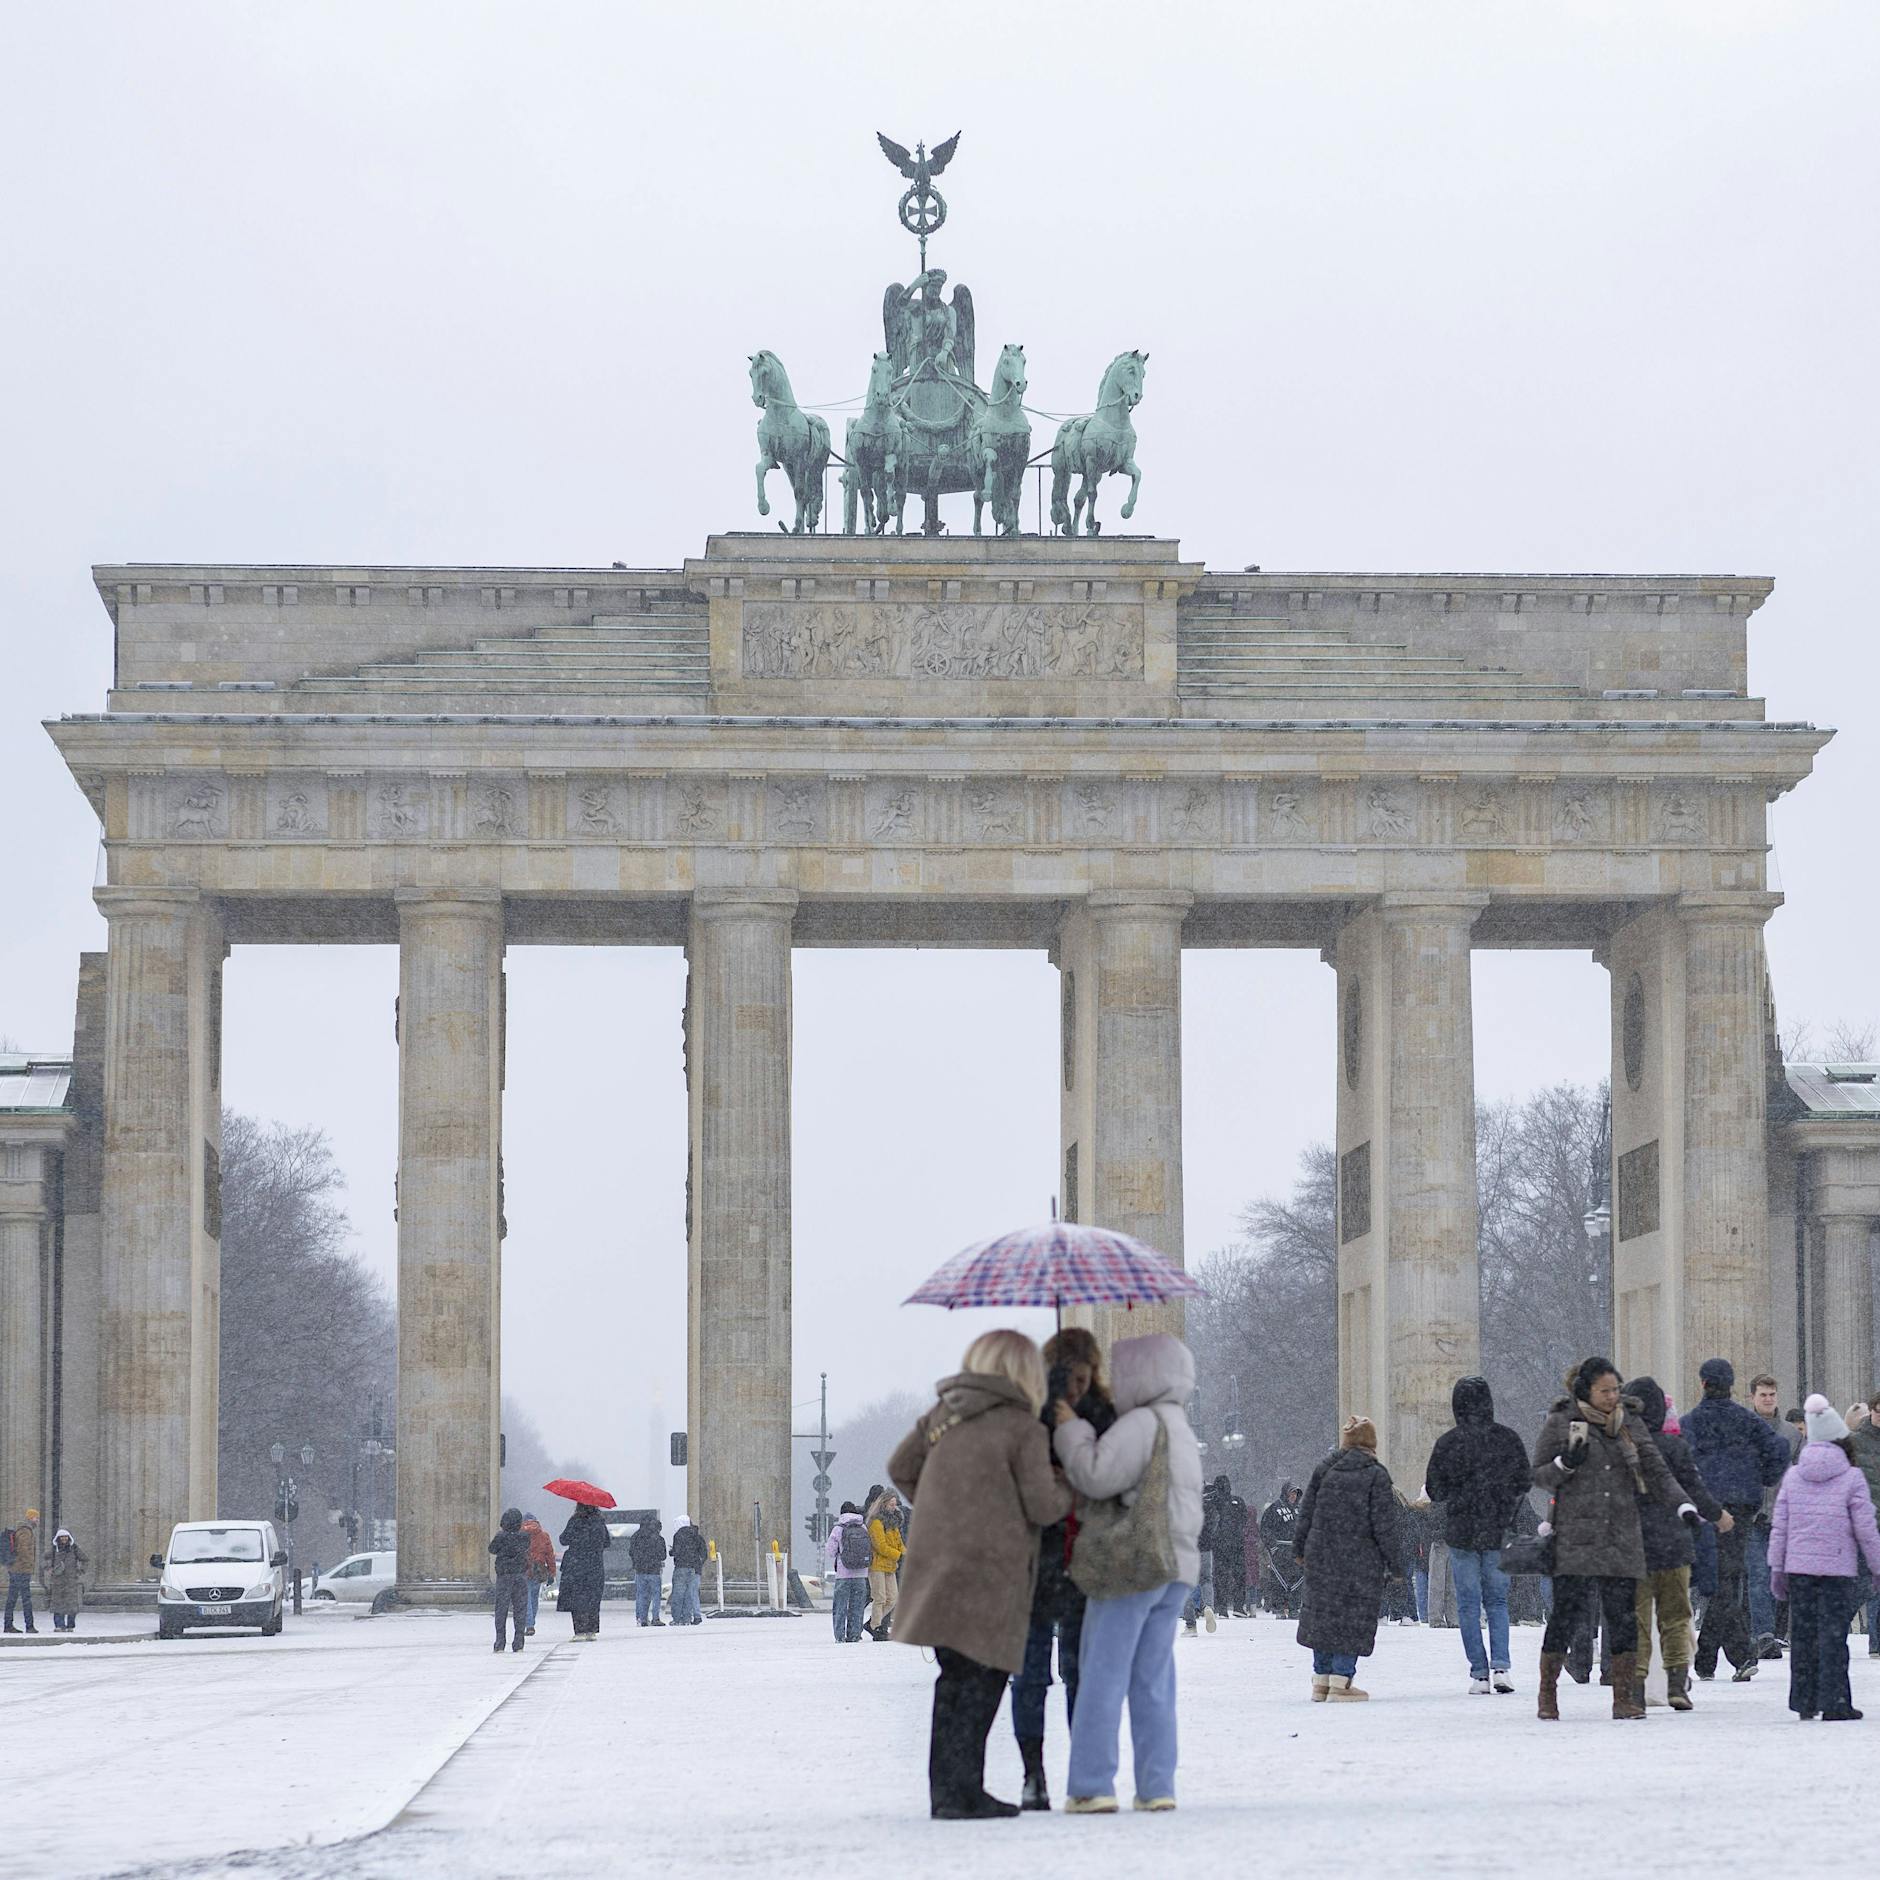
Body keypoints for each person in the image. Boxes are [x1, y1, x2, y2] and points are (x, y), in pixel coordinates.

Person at [887, 1329, 1071, 1821]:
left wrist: (942, 1507)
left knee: (954, 1681)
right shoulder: (1022, 1428)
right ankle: (963, 1791)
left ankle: (951, 1790)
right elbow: (1042, 1505)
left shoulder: (942, 1414)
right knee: (983, 1680)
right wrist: (1064, 1478)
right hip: (992, 1571)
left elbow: (900, 1467)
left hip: (938, 1567)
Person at [1051, 1331, 1203, 1813]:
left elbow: (1096, 1474)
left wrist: (1070, 1429)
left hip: (1134, 1565)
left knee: (1102, 1674)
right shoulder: (1181, 1426)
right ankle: (1157, 1785)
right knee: (1153, 1680)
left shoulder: (1141, 1422)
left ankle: (1092, 1783)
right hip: (1176, 1567)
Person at [1533, 1356, 1695, 1720]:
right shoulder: (1562, 1422)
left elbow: (1657, 1470)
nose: (1612, 1397)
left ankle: (1624, 1697)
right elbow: (1540, 1476)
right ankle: (1548, 1691)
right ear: (1585, 1390)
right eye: (1604, 1391)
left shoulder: (1630, 1424)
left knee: (1622, 1617)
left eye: (1616, 1390)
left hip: (1622, 1535)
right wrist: (1565, 1464)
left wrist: (1683, 1505)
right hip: (1577, 1536)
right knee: (1566, 1614)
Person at [1013, 1325, 1114, 1810]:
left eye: (1084, 1377)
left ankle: (1083, 1770)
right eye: (1069, 1377)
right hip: (1033, 1559)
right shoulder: (1029, 1417)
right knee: (1031, 1674)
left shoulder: (1104, 1416)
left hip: (1083, 1560)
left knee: (1080, 1673)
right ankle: (1033, 1775)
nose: (1077, 1386)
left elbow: (1112, 1482)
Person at [1769, 1395, 1880, 1721]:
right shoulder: (1851, 1477)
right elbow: (1866, 1529)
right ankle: (1835, 1701)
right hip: (1837, 1569)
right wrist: (1876, 1566)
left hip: (1800, 1569)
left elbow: (1780, 1528)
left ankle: (1804, 1699)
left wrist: (1777, 1568)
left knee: (1802, 1635)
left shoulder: (1793, 1476)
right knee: (1834, 1636)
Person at [1423, 1375, 1532, 1694]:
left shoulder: (1448, 1443)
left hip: (1461, 1532)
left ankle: (1479, 1673)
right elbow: (1523, 1482)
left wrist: (1461, 1491)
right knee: (1497, 1601)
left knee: (1468, 1604)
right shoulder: (1507, 1439)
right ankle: (1502, 1666)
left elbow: (1434, 1489)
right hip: (1497, 1529)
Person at [1684, 1357, 1790, 1683]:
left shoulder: (1692, 1423)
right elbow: (1778, 1449)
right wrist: (1764, 1478)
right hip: (1742, 1506)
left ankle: (1720, 1655)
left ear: (1702, 1384)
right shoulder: (1747, 1421)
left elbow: (1680, 1464)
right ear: (1732, 1385)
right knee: (1727, 1578)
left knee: (1721, 1581)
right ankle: (1728, 1654)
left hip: (1705, 1506)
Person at [1627, 1376, 1726, 1712]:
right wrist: (1717, 1514)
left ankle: (1637, 1685)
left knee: (1638, 1619)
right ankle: (1676, 1685)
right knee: (1676, 1617)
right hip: (1673, 1542)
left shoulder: (1623, 1446)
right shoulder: (1675, 1447)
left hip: (1634, 1545)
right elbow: (1694, 1489)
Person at [1295, 1417, 1402, 1702]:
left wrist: (1299, 1548)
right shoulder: (1376, 1475)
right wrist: (1396, 1562)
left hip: (1322, 1554)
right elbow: (1385, 1525)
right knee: (1350, 1616)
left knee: (1323, 1614)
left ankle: (1321, 1681)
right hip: (1359, 1558)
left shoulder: (1324, 1468)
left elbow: (1306, 1512)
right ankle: (1341, 1681)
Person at [1748, 1372, 1802, 1658]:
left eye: (1771, 1395)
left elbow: (1801, 1473)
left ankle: (1775, 1632)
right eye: (1763, 1395)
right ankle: (1764, 1634)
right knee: (1757, 1575)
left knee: (1780, 1577)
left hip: (1783, 1515)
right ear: (1753, 1398)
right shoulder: (1743, 1429)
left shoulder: (1791, 1434)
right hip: (1753, 1514)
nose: (1768, 1400)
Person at [1846, 1392, 1880, 1655]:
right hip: (1863, 1522)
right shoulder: (1856, 1442)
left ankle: (1877, 1642)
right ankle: (1837, 1625)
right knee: (1860, 1585)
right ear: (1872, 1411)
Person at [558, 1502, 609, 1640]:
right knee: (593, 1598)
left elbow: (563, 1539)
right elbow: (607, 1542)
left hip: (577, 1566)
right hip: (595, 1566)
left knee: (577, 1598)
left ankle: (580, 1630)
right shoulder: (599, 1522)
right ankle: (591, 1630)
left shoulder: (575, 1521)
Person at [825, 1502, 873, 1642]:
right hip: (861, 1573)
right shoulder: (863, 1526)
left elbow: (830, 1551)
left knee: (840, 1606)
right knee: (857, 1607)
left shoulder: (839, 1528)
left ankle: (839, 1636)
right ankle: (854, 1635)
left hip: (844, 1574)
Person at [488, 1507, 531, 1653]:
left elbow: (492, 1549)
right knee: (520, 1609)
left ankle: (500, 1642)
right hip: (520, 1575)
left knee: (502, 1609)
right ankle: (519, 1642)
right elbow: (526, 1548)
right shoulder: (525, 1536)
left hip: (505, 1575)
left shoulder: (501, 1536)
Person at [865, 1490, 906, 1641]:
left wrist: (905, 1553)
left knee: (893, 1598)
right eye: (891, 1504)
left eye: (895, 1504)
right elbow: (880, 1546)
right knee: (880, 1597)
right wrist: (898, 1554)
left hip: (890, 1565)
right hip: (877, 1565)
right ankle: (876, 1627)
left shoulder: (893, 1522)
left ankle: (872, 1623)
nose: (894, 1507)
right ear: (883, 1504)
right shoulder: (876, 1523)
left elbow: (899, 1542)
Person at [1259, 1483, 1304, 1616]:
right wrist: (1273, 1547)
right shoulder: (1274, 1509)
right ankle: (1279, 1607)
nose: (1293, 1496)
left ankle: (1294, 1608)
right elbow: (1265, 1529)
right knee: (1279, 1579)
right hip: (1281, 1549)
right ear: (1285, 1493)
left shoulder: (1301, 1509)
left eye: (1295, 1494)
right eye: (1291, 1493)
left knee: (1298, 1578)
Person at [1208, 1477, 1250, 1617]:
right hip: (1234, 1542)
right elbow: (1244, 1519)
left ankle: (1222, 1607)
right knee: (1238, 1575)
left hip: (1221, 1543)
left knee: (1221, 1576)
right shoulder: (1237, 1501)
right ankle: (1237, 1606)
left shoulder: (1213, 1501)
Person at [41, 1528, 85, 1632]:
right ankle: (59, 1625)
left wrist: (80, 1571)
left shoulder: (74, 1549)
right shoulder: (53, 1549)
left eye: (65, 1537)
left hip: (71, 1581)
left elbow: (85, 1559)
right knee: (58, 1603)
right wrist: (49, 1568)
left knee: (71, 1604)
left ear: (69, 1538)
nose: (64, 1539)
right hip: (58, 1581)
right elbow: (43, 1559)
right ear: (58, 1538)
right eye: (62, 1537)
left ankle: (70, 1625)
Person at [629, 1514, 667, 1626]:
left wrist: (638, 1560)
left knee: (640, 1595)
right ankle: (655, 1618)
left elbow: (631, 1552)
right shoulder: (658, 1538)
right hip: (654, 1570)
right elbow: (663, 1555)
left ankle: (641, 1619)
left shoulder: (635, 1536)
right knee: (656, 1595)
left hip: (640, 1570)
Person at [521, 1514, 556, 1636]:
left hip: (524, 1568)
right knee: (534, 1597)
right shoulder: (543, 1535)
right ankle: (531, 1623)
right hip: (538, 1569)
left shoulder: (520, 1534)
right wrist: (552, 1572)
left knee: (526, 1597)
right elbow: (550, 1555)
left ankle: (529, 1624)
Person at [4, 1510, 39, 1633]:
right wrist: (29, 1564)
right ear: (30, 1519)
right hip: (21, 1570)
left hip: (16, 1569)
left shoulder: (22, 1530)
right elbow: (24, 1550)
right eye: (35, 1518)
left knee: (12, 1598)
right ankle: (29, 1626)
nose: (37, 1520)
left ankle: (8, 1624)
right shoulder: (25, 1531)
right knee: (26, 1599)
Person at [670, 1516, 707, 1626]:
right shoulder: (696, 1536)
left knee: (678, 1594)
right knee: (690, 1594)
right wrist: (698, 1562)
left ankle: (677, 1618)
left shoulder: (678, 1535)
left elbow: (677, 1551)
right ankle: (687, 1618)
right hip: (694, 1568)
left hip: (681, 1567)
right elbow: (703, 1552)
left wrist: (672, 1552)